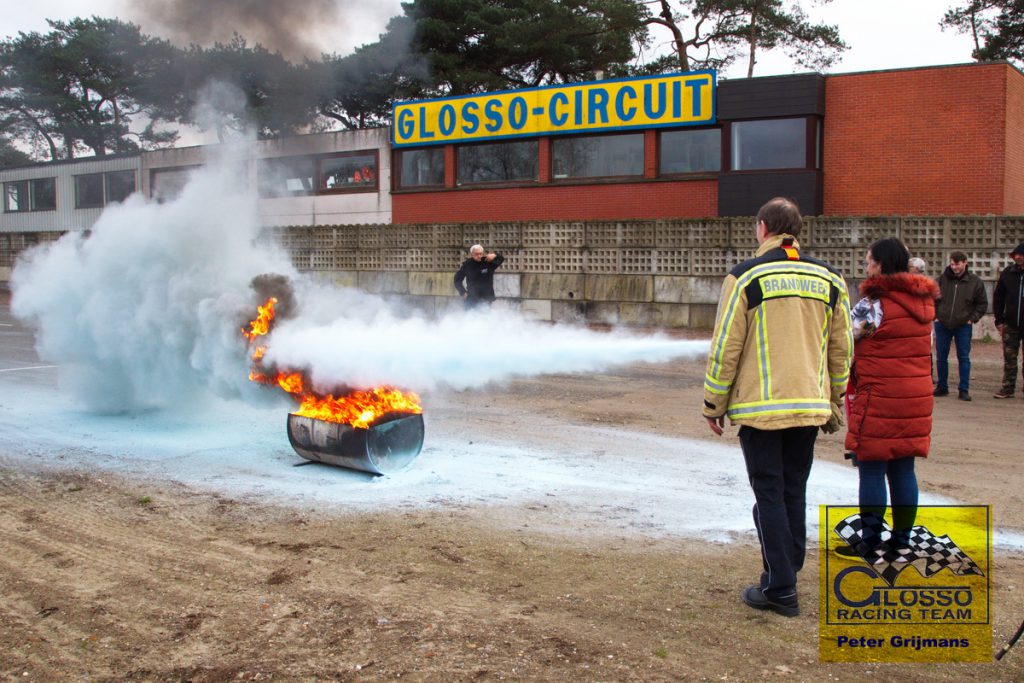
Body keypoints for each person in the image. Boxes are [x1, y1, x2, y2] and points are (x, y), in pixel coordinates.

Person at [702, 197, 851, 618]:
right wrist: (834, 398)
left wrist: (714, 403)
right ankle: (786, 570)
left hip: (761, 410)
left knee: (768, 494)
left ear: (763, 227)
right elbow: (842, 349)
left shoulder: (745, 277)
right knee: (792, 491)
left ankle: (781, 588)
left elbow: (726, 346)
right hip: (808, 407)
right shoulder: (829, 278)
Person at [838, 238, 940, 557]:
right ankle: (901, 540)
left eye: (869, 261)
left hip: (880, 396)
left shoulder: (873, 303)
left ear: (880, 265)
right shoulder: (924, 303)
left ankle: (868, 542)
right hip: (916, 396)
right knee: (903, 468)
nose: (866, 266)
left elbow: (843, 338)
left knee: (871, 467)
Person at [933, 251, 988, 401]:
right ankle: (942, 386)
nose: (954, 267)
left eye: (957, 264)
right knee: (941, 357)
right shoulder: (941, 280)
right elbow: (932, 299)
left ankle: (963, 389)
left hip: (963, 325)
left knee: (963, 357)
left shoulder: (975, 282)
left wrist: (972, 319)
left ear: (965, 263)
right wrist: (935, 316)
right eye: (952, 264)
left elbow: (982, 303)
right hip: (942, 324)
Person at [993, 243, 1024, 399]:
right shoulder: (1008, 273)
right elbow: (998, 297)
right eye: (1015, 255)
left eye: (1021, 254)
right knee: (1009, 358)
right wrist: (999, 320)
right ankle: (1008, 387)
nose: (1017, 257)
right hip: (1010, 324)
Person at [454, 244, 504, 308]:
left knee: (485, 317)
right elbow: (457, 279)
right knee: (469, 317)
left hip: (486, 298)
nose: (479, 256)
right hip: (472, 298)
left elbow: (501, 259)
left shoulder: (488, 262)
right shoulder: (467, 265)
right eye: (476, 254)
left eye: (480, 254)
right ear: (472, 254)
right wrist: (463, 292)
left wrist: (494, 255)